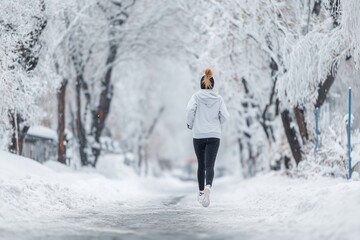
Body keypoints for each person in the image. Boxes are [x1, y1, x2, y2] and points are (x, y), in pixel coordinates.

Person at [186, 68, 229, 207]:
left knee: (201, 164)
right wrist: (217, 123)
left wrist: (190, 124)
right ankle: (208, 187)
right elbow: (225, 116)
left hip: (198, 135)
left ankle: (200, 192)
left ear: (201, 84)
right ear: (212, 85)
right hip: (214, 135)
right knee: (210, 165)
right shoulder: (219, 99)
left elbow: (189, 110)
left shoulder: (196, 97)